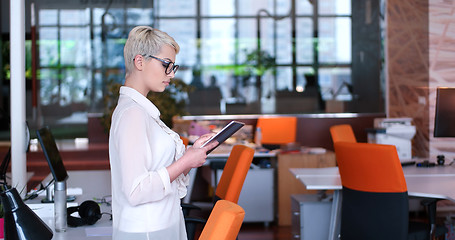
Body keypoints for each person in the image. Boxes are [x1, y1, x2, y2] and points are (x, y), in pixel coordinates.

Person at [108, 26, 217, 240]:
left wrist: (191, 155)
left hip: (158, 224)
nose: (172, 73)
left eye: (173, 66)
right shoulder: (132, 114)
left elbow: (159, 170)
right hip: (147, 231)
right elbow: (136, 190)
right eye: (166, 65)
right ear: (139, 62)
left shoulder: (142, 111)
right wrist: (186, 162)